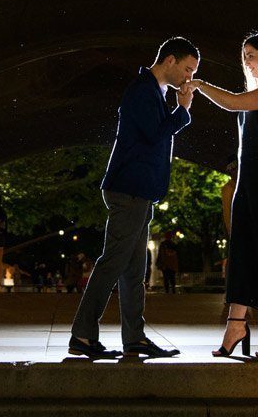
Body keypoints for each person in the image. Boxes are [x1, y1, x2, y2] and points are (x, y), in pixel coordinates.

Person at [69, 37, 198, 359]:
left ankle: (135, 338)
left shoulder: (155, 93)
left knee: (132, 271)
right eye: (187, 68)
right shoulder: (142, 90)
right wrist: (182, 111)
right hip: (129, 188)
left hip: (139, 191)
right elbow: (154, 134)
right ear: (169, 60)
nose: (188, 77)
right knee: (113, 263)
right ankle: (83, 334)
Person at [190, 30, 258, 359]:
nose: (246, 62)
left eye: (251, 55)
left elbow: (235, 102)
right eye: (244, 56)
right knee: (242, 251)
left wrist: (199, 85)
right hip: (248, 182)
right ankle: (236, 322)